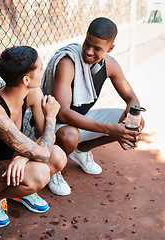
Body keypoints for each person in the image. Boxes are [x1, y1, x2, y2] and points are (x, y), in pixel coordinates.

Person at [0, 46, 67, 227]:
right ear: (26, 79)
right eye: (40, 68)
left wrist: (22, 158)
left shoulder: (31, 92)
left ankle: (19, 190)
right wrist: (51, 117)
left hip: (10, 157)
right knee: (40, 174)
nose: (43, 70)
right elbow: (42, 153)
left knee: (59, 156)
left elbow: (48, 142)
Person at [42, 17, 145, 196]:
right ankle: (53, 168)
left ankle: (82, 151)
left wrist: (132, 123)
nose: (89, 51)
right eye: (86, 43)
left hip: (82, 118)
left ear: (110, 49)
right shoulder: (68, 62)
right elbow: (64, 113)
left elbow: (131, 98)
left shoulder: (110, 64)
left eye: (97, 48)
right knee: (70, 135)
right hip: (53, 125)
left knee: (135, 121)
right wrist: (111, 129)